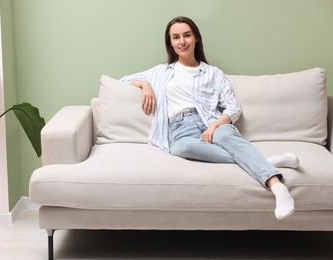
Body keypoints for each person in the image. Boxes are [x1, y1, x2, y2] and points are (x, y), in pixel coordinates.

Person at [120, 16, 298, 220]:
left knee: (225, 137)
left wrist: (214, 126)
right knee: (183, 148)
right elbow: (124, 79)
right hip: (180, 128)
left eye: (187, 35)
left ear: (196, 38)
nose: (182, 41)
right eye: (176, 37)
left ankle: (278, 188)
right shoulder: (161, 71)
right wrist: (145, 85)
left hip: (212, 122)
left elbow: (233, 108)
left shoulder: (213, 73)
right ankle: (266, 162)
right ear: (170, 43)